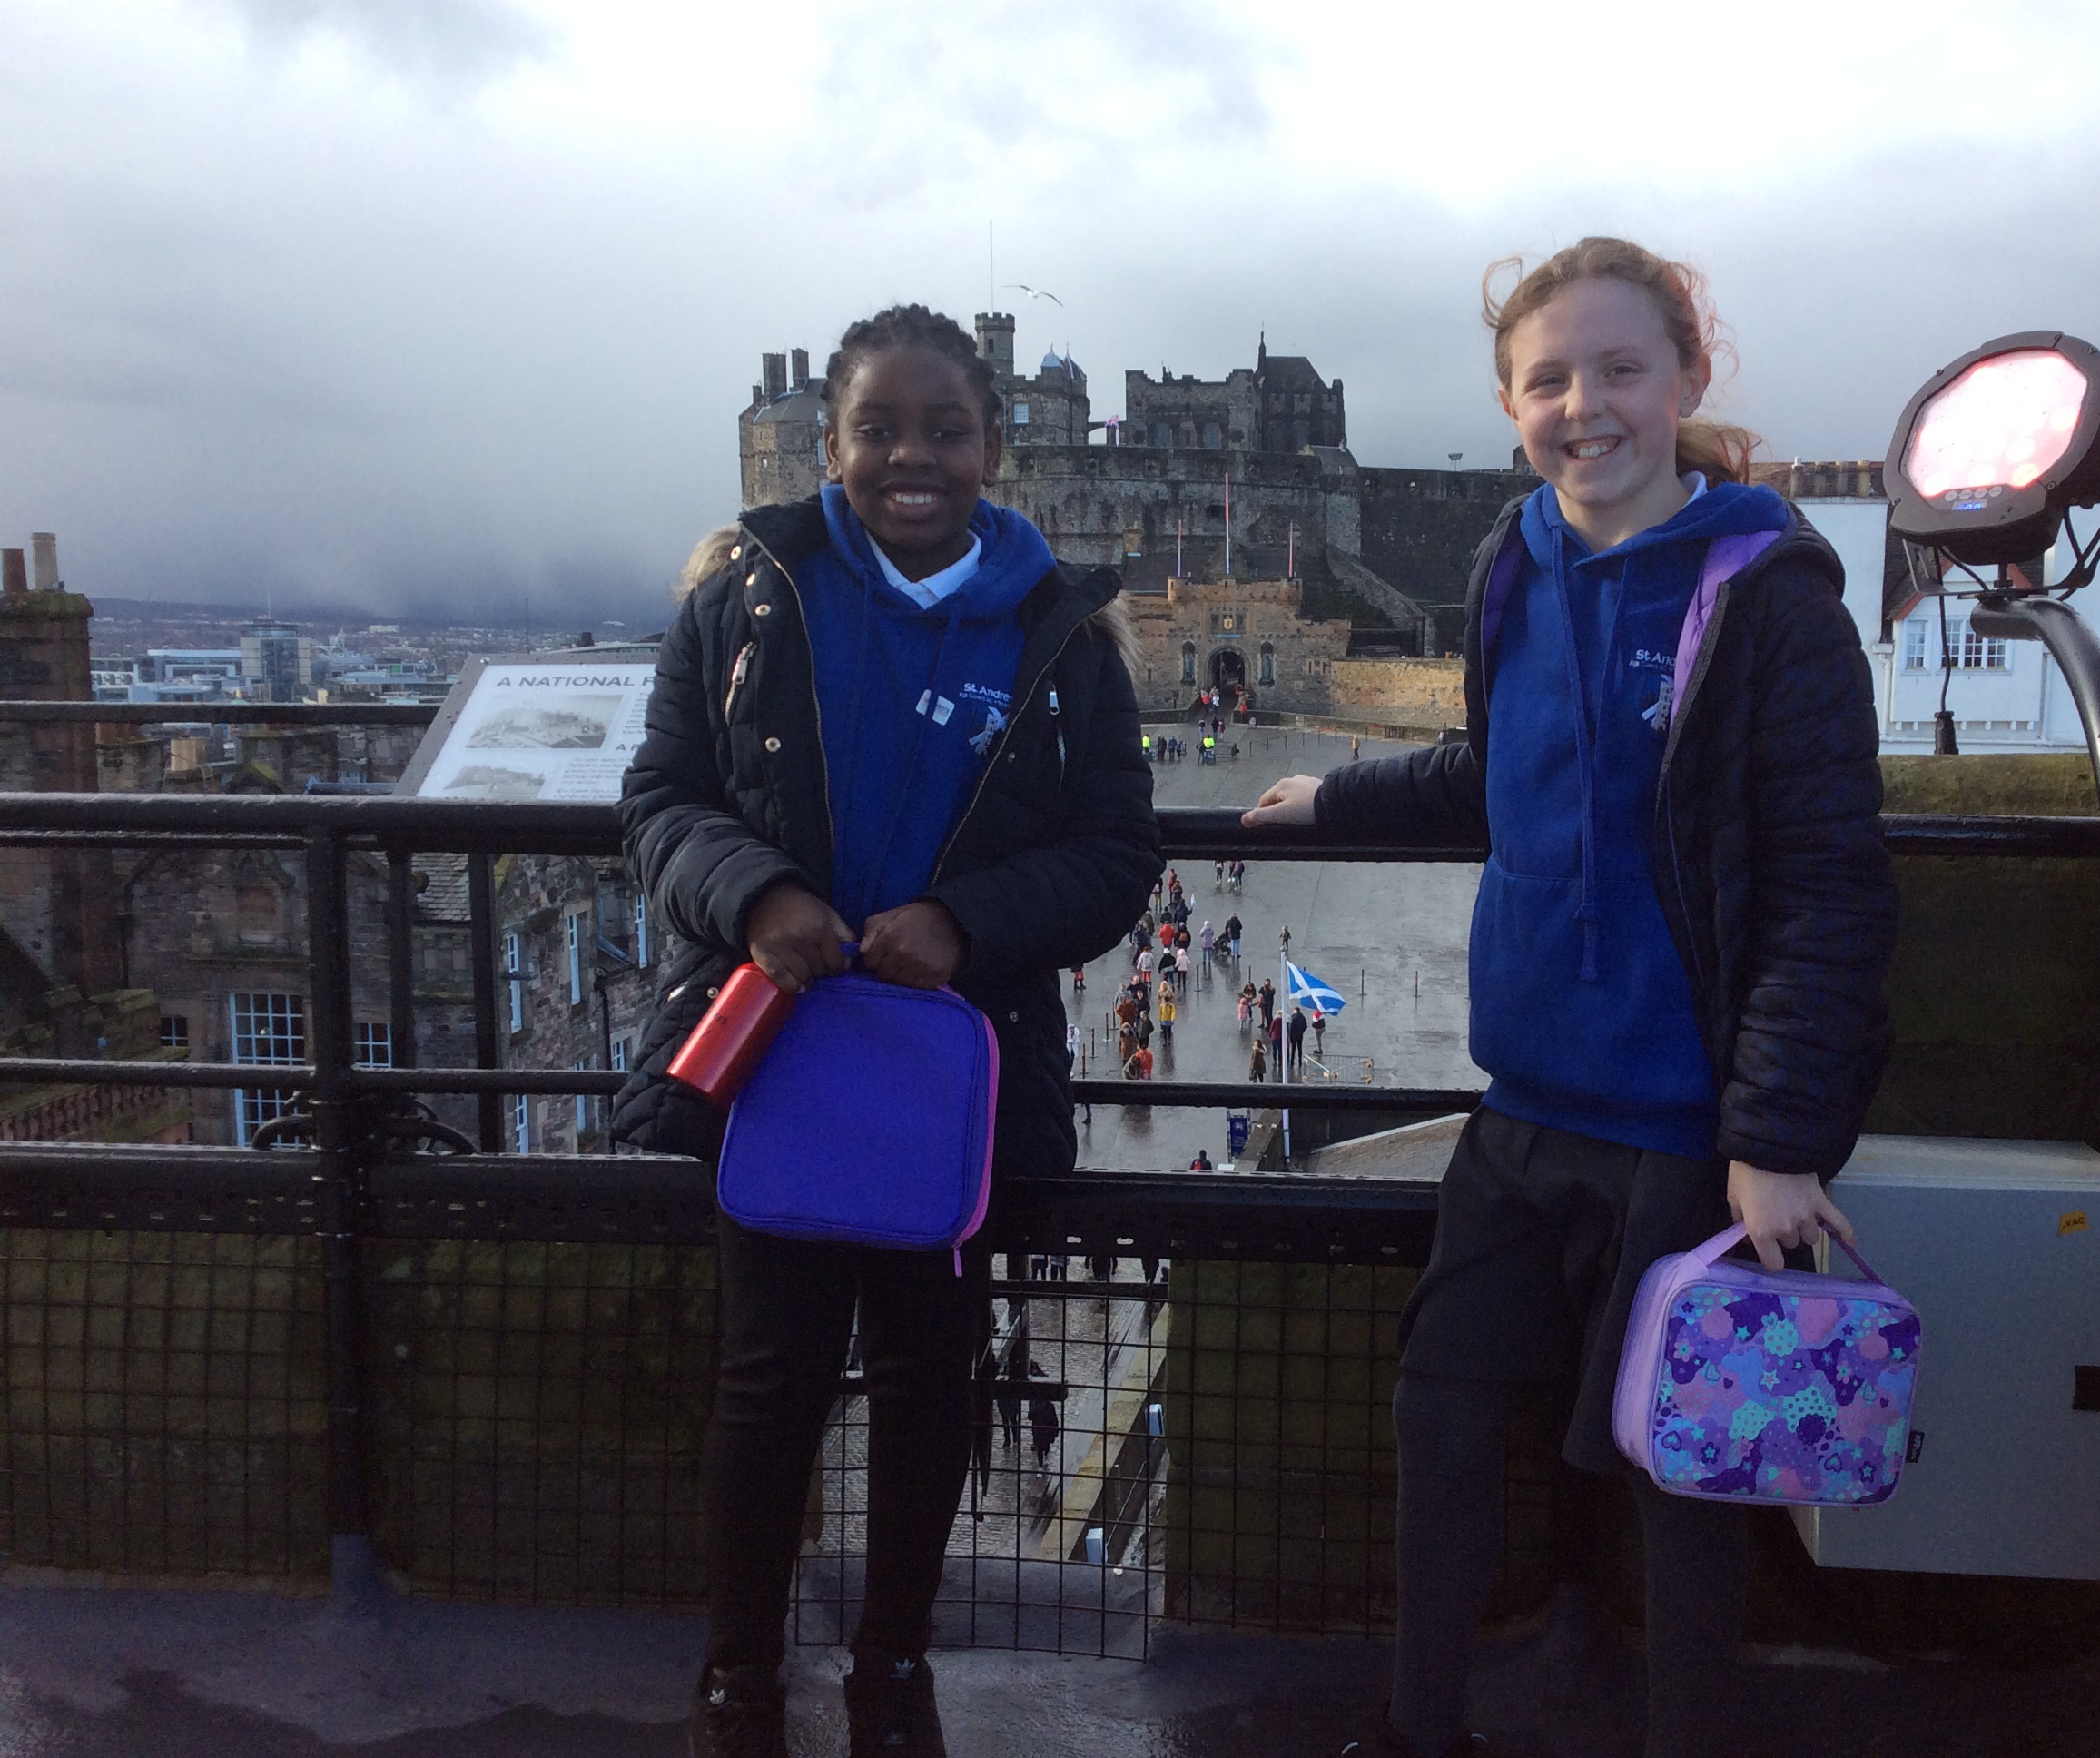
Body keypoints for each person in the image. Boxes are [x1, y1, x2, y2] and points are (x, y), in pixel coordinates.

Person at [1243, 240, 1898, 1758]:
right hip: (1523, 1106)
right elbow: (1499, 772)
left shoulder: (1767, 593)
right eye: (1548, 379)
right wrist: (1335, 798)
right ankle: (1421, 1733)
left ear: (1685, 376)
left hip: (1690, 1131)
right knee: (1442, 1418)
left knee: (1682, 1470)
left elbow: (1827, 880)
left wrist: (1777, 1135)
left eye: (1618, 369)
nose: (1583, 406)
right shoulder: (1512, 565)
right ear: (1509, 403)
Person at [614, 302, 1158, 1758]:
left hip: (954, 1065)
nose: (911, 456)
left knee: (930, 1379)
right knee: (769, 1376)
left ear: (993, 445)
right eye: (878, 429)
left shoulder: (1063, 631)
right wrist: (758, 892)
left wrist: (965, 925)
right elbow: (661, 801)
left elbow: (1117, 853)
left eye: (944, 429)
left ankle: (893, 1666)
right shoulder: (746, 596)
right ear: (830, 444)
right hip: (781, 1045)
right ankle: (739, 1671)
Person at [1286, 1003, 1307, 1075]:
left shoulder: (1293, 1018)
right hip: (1300, 1035)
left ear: (1296, 1011)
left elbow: (1290, 1027)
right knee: (1300, 1048)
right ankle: (1300, 1060)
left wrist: (1290, 1033)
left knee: (1293, 1049)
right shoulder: (1302, 1017)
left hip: (1294, 1035)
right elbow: (1305, 1026)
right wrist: (1301, 1031)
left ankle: (1292, 1061)